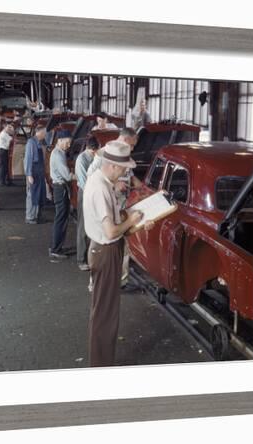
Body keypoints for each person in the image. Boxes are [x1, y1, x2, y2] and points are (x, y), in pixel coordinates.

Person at [83, 140, 152, 367]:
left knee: (104, 310)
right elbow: (111, 230)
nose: (125, 174)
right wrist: (131, 220)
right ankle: (101, 366)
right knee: (105, 313)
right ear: (113, 165)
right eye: (123, 169)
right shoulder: (102, 189)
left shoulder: (98, 181)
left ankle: (101, 361)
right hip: (106, 251)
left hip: (102, 249)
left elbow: (114, 221)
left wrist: (135, 222)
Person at [48, 130, 76, 261]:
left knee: (62, 218)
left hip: (60, 188)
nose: (69, 145)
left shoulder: (59, 153)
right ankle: (55, 250)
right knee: (60, 219)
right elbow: (67, 176)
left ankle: (57, 246)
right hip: (60, 188)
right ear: (59, 140)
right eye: (67, 142)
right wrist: (80, 176)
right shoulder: (58, 155)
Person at [75, 136, 100, 271]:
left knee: (94, 226)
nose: (94, 154)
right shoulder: (81, 159)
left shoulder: (96, 156)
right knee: (83, 227)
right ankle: (81, 259)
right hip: (85, 194)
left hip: (95, 194)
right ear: (87, 148)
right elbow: (85, 182)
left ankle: (92, 257)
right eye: (92, 152)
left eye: (96, 151)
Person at [24, 125, 47, 224]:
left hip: (39, 172)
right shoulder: (31, 142)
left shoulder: (39, 142)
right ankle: (30, 217)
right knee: (32, 195)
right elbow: (28, 159)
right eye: (44, 133)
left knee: (38, 194)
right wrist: (29, 175)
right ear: (40, 132)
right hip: (34, 172)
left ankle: (36, 216)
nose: (45, 135)